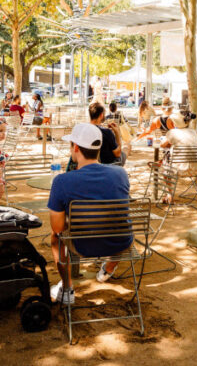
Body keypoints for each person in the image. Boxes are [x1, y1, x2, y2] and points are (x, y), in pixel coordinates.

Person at [48, 124, 133, 304]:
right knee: (117, 225)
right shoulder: (121, 173)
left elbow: (57, 227)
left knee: (55, 237)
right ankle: (108, 270)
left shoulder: (62, 181)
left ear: (76, 147)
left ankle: (67, 288)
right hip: (121, 242)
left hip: (84, 246)